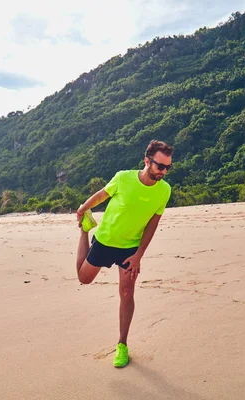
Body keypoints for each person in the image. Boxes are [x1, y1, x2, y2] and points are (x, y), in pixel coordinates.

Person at [75, 140, 173, 368]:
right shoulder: (123, 178)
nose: (164, 172)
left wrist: (139, 255)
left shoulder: (164, 190)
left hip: (131, 248)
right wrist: (83, 209)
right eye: (160, 166)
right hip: (106, 240)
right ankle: (84, 233)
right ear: (147, 161)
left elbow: (152, 224)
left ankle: (122, 345)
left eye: (168, 167)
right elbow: (101, 195)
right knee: (84, 278)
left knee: (127, 293)